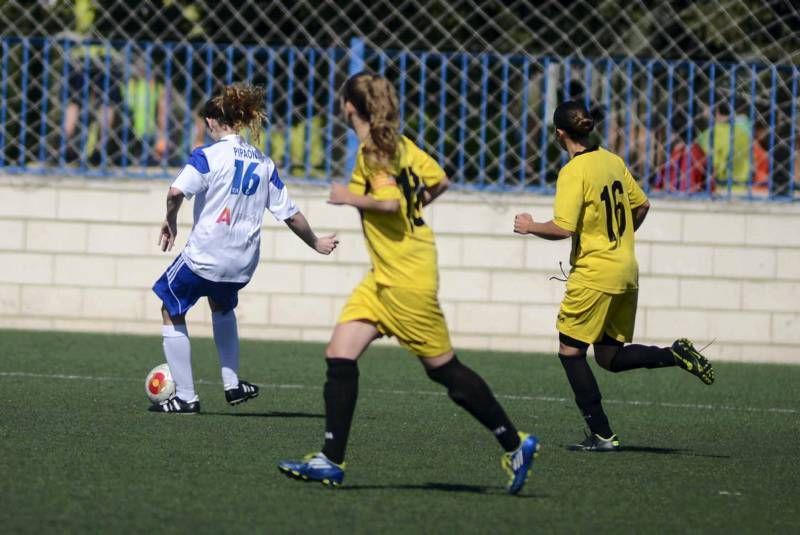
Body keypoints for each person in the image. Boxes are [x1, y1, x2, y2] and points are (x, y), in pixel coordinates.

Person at [278, 72, 539, 494]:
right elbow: (441, 180)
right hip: (385, 276)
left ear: (350, 107)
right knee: (340, 353)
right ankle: (330, 459)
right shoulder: (401, 145)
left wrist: (350, 198)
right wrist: (408, 207)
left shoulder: (375, 151)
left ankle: (516, 444)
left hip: (406, 277)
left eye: (342, 101)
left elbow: (389, 202)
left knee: (444, 371)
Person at [513, 100, 715, 452]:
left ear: (560, 133)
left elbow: (563, 228)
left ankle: (603, 434)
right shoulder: (612, 160)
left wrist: (530, 227)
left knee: (570, 351)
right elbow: (643, 205)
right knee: (609, 358)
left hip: (595, 274)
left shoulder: (574, 171)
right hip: (626, 269)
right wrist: (619, 239)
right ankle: (675, 354)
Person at [150, 84, 339, 413]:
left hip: (205, 256)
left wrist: (171, 220)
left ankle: (186, 397)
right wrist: (316, 243)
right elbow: (290, 215)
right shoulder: (264, 163)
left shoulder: (207, 155)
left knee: (170, 305)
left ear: (212, 122)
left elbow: (175, 193)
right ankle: (232, 384)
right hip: (241, 265)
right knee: (222, 307)